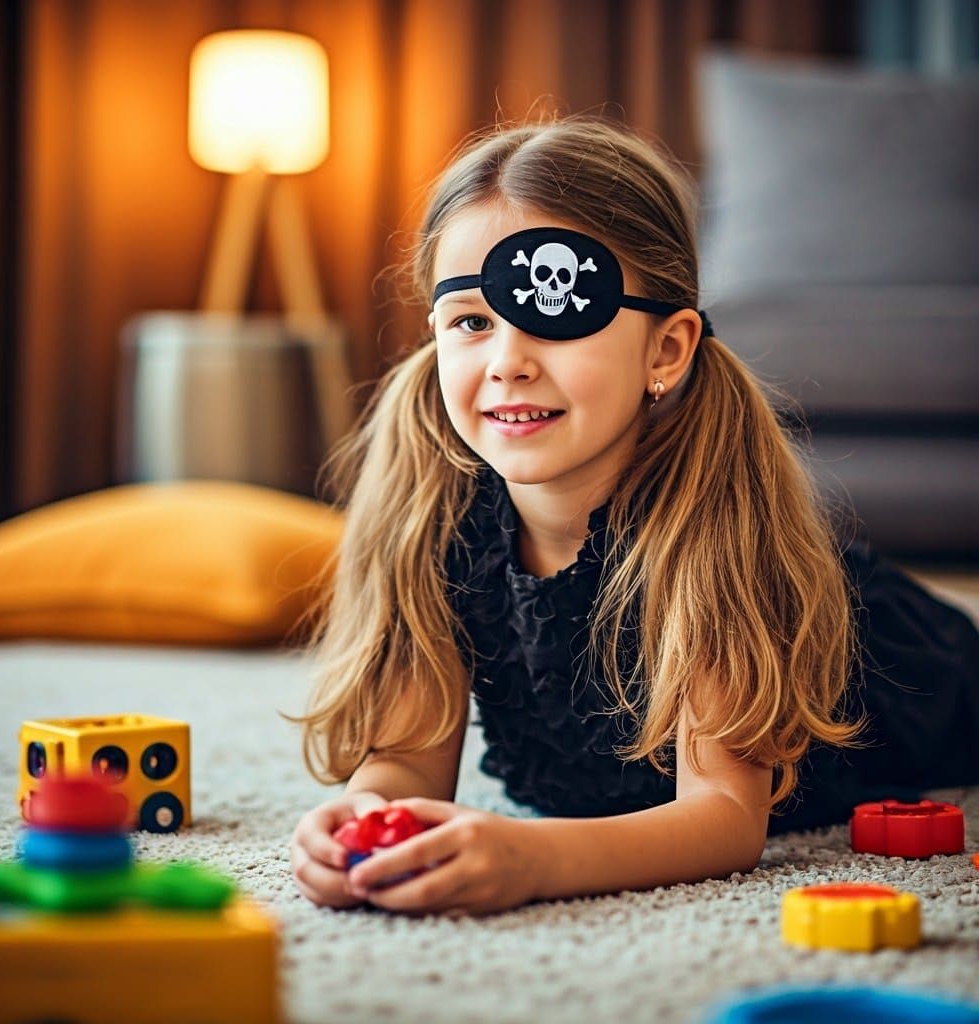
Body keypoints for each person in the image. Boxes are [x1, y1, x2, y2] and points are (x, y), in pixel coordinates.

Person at [287, 115, 979, 919]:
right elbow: (407, 762)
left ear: (666, 351)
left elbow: (723, 816)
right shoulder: (432, 512)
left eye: (558, 315)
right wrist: (363, 819)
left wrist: (530, 858)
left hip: (923, 681)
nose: (508, 362)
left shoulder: (709, 524)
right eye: (473, 322)